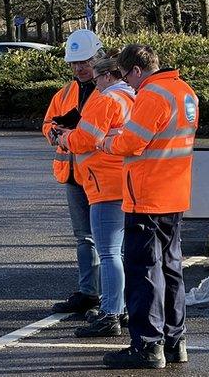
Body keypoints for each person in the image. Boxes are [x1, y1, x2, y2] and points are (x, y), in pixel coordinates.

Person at [100, 44, 198, 370]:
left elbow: (131, 142)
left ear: (137, 70)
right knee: (171, 269)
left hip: (146, 195)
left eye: (127, 77)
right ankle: (175, 341)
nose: (128, 84)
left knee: (143, 272)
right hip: (174, 193)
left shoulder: (152, 95)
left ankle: (146, 345)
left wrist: (105, 141)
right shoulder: (184, 92)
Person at [57, 53, 136, 337]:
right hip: (127, 182)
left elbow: (85, 139)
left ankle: (110, 313)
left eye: (99, 79)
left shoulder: (106, 99)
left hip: (104, 184)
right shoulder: (133, 98)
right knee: (123, 252)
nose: (97, 85)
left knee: (109, 253)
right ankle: (123, 307)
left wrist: (63, 137)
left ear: (106, 76)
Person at [43, 29, 103, 314]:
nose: (79, 67)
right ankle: (89, 292)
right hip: (73, 175)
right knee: (84, 238)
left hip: (101, 176)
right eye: (74, 63)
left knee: (107, 240)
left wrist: (74, 134)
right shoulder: (64, 93)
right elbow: (47, 124)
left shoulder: (108, 91)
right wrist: (54, 134)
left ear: (98, 57)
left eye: (85, 61)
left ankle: (110, 297)